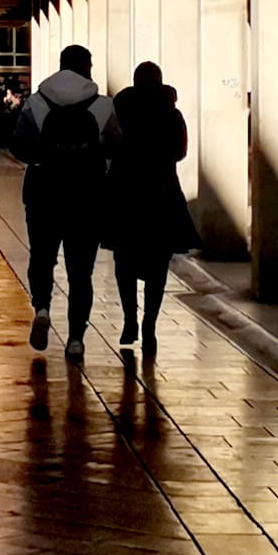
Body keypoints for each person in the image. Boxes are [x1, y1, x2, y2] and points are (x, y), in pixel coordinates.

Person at [10, 44, 120, 361]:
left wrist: (42, 158)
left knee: (42, 258)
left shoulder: (36, 102)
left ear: (60, 66)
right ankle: (75, 339)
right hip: (87, 196)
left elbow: (18, 145)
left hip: (43, 194)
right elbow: (116, 146)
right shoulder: (103, 105)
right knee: (81, 271)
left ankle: (42, 309)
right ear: (86, 67)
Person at [105, 62, 197, 357]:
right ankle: (149, 325)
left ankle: (129, 320)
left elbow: (109, 145)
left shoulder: (121, 110)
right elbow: (180, 152)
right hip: (161, 192)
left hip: (126, 192)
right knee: (158, 263)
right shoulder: (171, 113)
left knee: (124, 260)